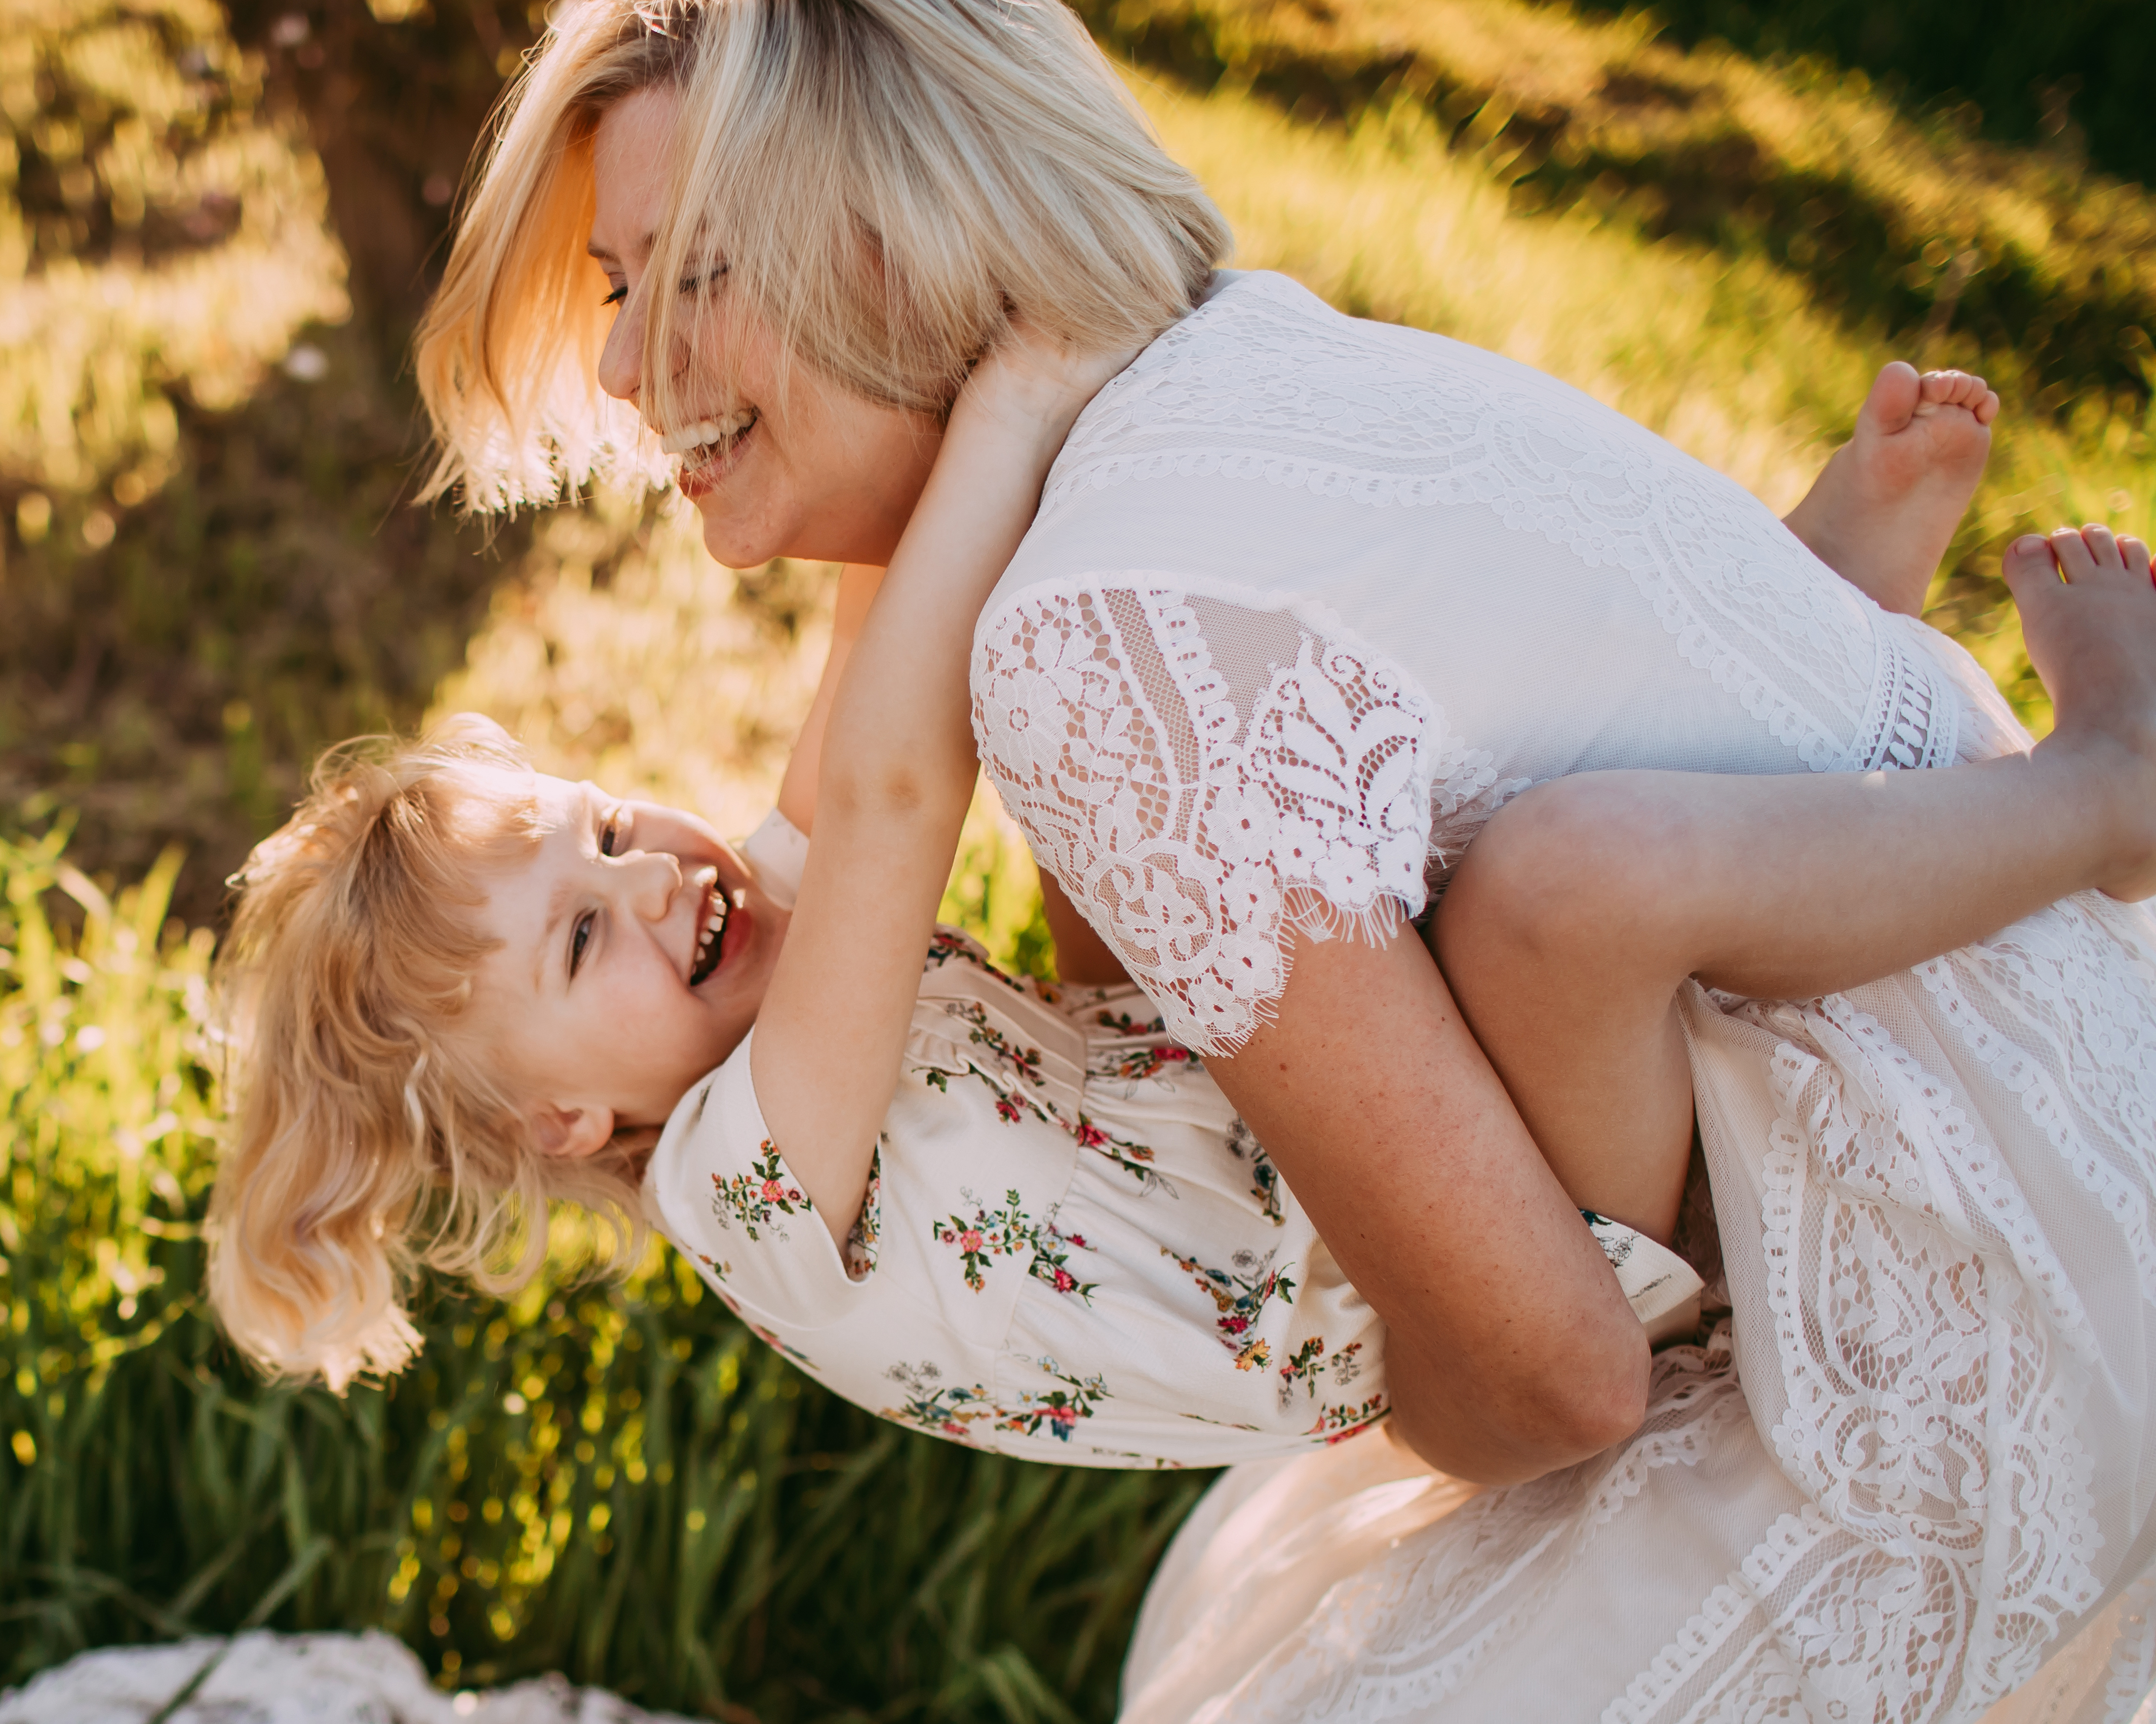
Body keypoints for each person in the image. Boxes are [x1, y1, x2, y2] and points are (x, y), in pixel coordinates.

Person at [398, 0, 2156, 1715]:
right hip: (1804, 1128)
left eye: (685, 270)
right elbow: (899, 776)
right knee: (1534, 906)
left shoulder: (1075, 643)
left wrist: (990, 399)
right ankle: (1842, 624)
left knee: (1558, 906)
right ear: (559, 1118)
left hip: (1854, 1284)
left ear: (889, 241)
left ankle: (2093, 783)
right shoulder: (1237, 351)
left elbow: (1551, 1381)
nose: (619, 366)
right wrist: (998, 385)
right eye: (620, 290)